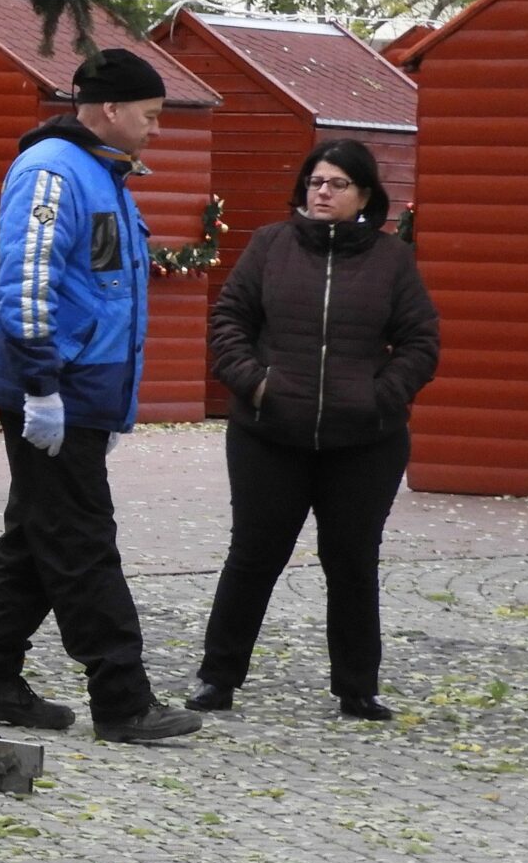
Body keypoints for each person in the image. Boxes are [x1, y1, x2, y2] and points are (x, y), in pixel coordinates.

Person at [0, 46, 202, 745]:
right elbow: (24, 283)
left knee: (38, 535)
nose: (157, 129)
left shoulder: (101, 174)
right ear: (110, 110)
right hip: (53, 388)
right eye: (151, 116)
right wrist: (42, 389)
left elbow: (98, 292)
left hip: (77, 391)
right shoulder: (55, 172)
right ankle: (122, 698)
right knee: (82, 539)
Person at [188, 140, 438, 721]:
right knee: (254, 554)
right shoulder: (270, 246)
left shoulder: (390, 260)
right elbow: (229, 320)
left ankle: (358, 687)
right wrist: (256, 385)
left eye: (337, 184)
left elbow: (420, 341)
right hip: (269, 433)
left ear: (365, 196)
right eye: (315, 182)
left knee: (352, 559)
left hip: (364, 441)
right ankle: (217, 677)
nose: (322, 192)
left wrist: (381, 396)